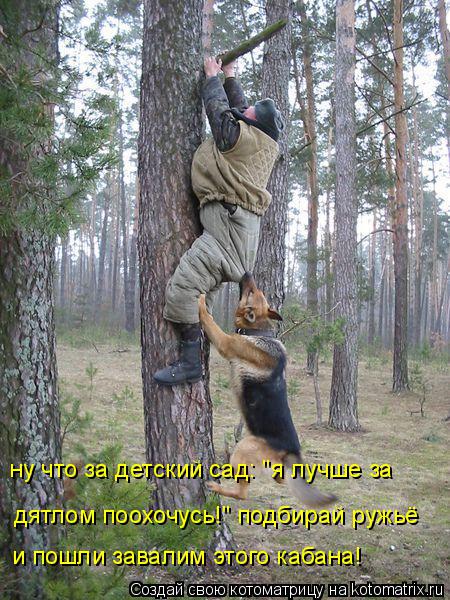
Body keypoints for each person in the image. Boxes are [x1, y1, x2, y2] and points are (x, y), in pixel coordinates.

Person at [154, 56, 285, 386]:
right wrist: (230, 76)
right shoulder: (258, 140)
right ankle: (200, 355)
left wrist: (212, 79)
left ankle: (190, 363)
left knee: (184, 290)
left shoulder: (243, 140)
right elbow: (239, 111)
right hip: (231, 231)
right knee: (201, 298)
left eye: (251, 112)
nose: (246, 109)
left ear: (255, 124)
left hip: (226, 236)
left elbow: (223, 118)